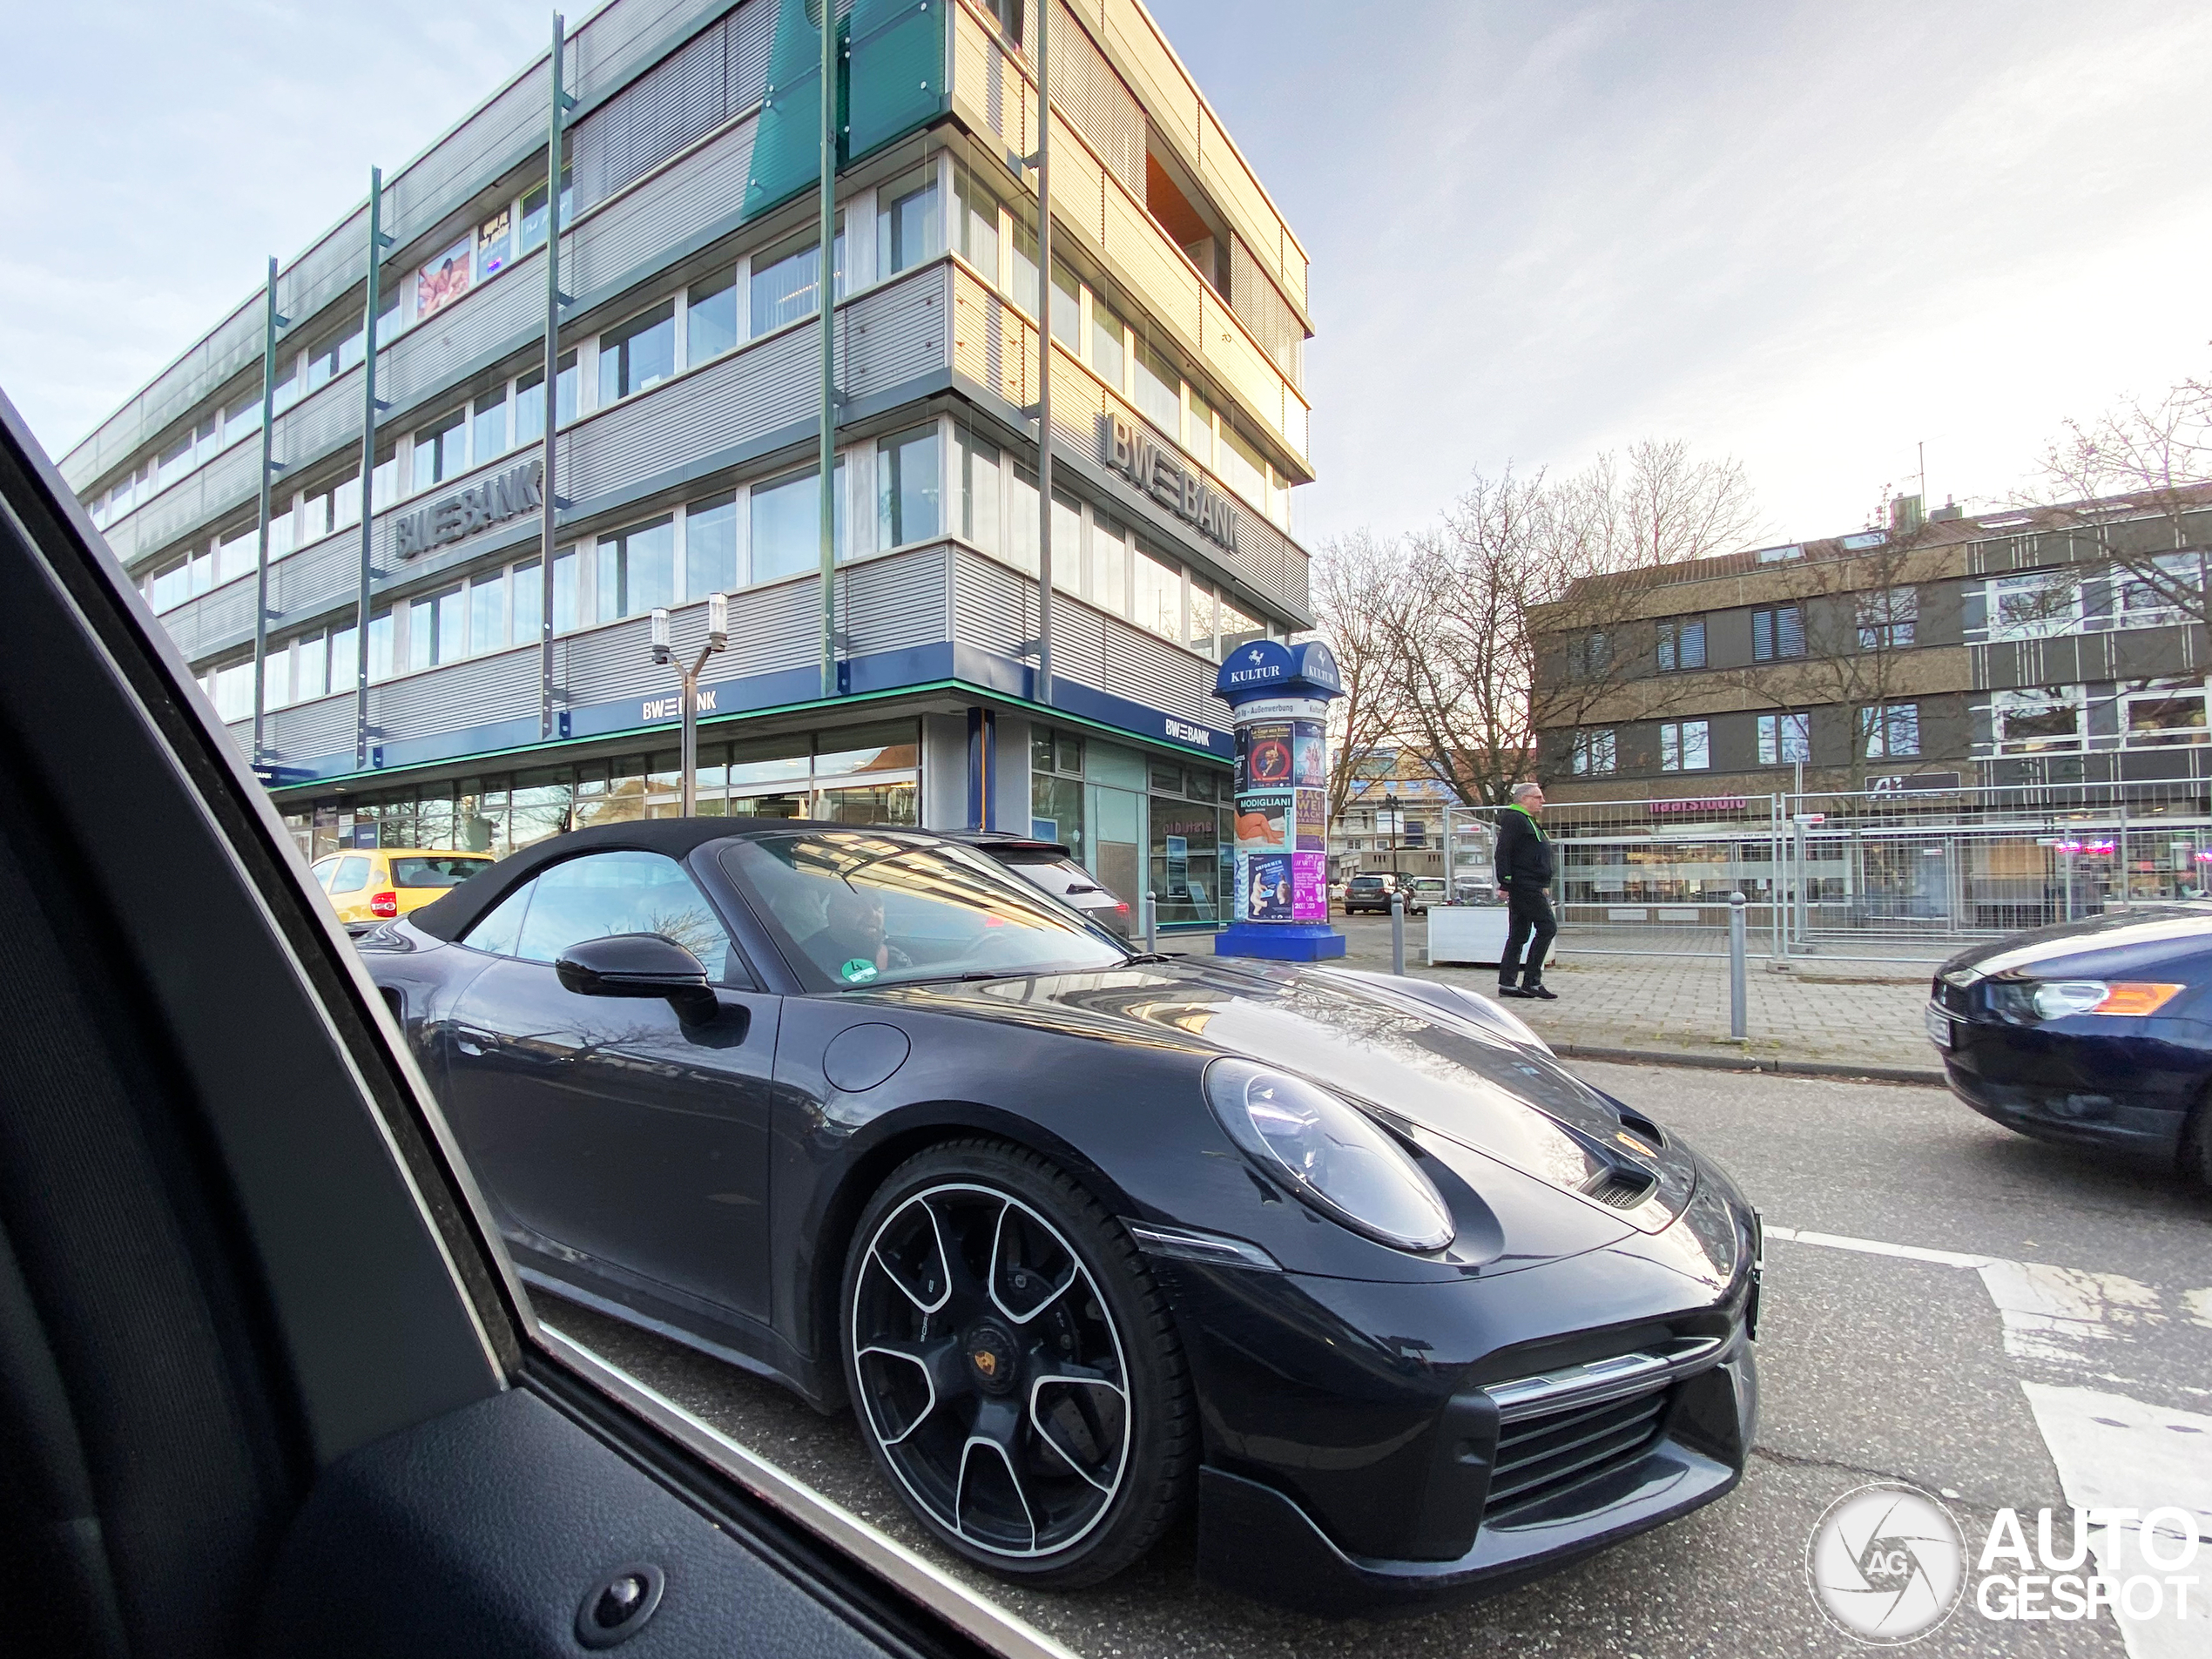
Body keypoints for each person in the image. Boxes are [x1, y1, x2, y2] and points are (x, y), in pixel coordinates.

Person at [1494, 781, 1557, 1000]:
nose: (1543, 802)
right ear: (1524, 799)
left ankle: (1508, 984)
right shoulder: (1515, 819)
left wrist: (1544, 882)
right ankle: (1532, 981)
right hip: (1524, 885)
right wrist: (1505, 882)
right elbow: (1503, 852)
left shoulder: (1527, 820)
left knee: (1519, 934)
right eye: (1538, 798)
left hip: (1531, 884)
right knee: (1548, 927)